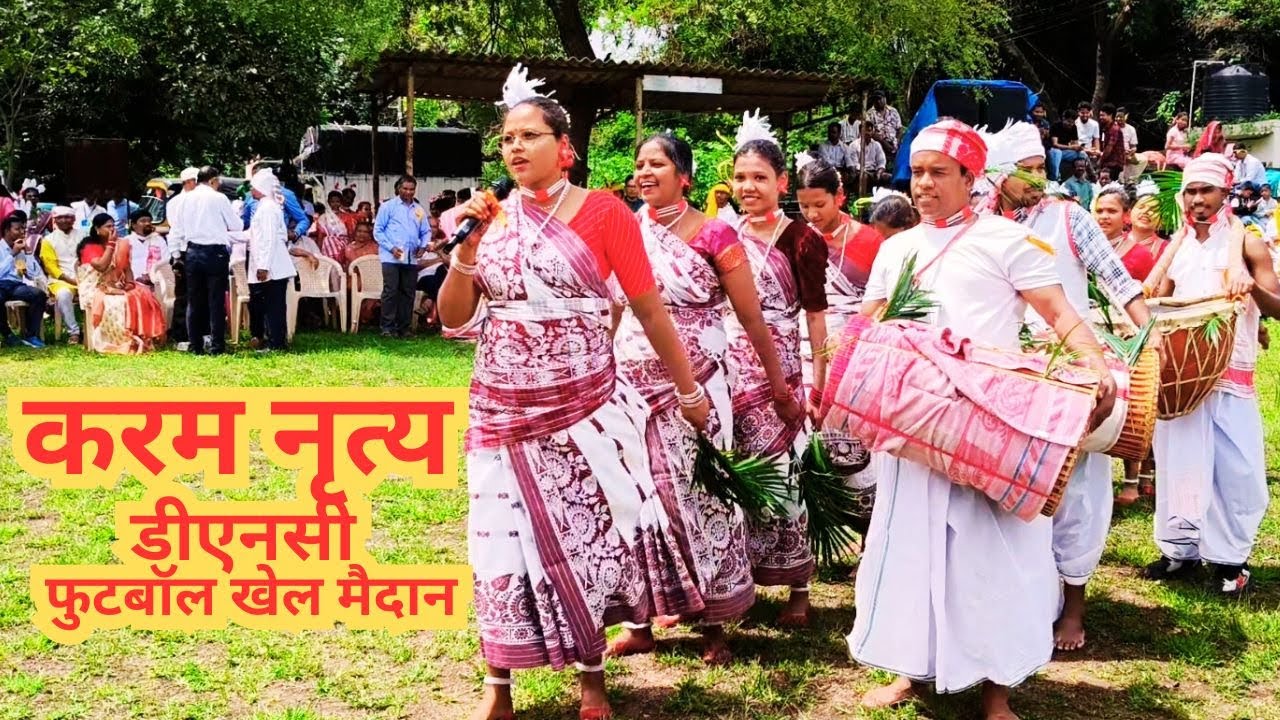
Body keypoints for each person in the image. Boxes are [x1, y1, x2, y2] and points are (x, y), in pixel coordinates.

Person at [438, 64, 708, 720]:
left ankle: (592, 679)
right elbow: (452, 317)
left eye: (529, 135)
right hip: (501, 405)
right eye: (507, 138)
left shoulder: (605, 212)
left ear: (564, 148)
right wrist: (466, 249)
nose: (515, 147)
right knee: (498, 540)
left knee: (585, 539)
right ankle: (497, 683)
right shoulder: (487, 219)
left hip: (583, 404)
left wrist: (688, 390)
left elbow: (649, 310)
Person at [848, 120, 1116, 720]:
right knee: (909, 543)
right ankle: (911, 669)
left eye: (938, 173)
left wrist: (1094, 363)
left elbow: (1058, 313)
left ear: (971, 178)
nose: (923, 184)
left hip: (989, 427)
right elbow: (870, 323)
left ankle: (998, 689)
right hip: (912, 426)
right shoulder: (896, 249)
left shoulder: (1006, 240)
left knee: (993, 552)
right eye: (917, 173)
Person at [606, 132, 800, 666]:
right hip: (629, 387)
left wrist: (779, 386)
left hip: (700, 386)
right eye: (639, 164)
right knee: (635, 498)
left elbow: (752, 319)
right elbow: (616, 308)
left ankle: (713, 623)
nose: (644, 173)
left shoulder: (716, 235)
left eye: (657, 164)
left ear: (684, 176)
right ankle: (640, 621)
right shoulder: (625, 229)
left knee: (700, 496)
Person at [980, 121, 1156, 652]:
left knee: (1077, 487)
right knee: (1017, 485)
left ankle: (1073, 606)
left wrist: (1149, 339)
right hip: (1006, 372)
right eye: (1026, 170)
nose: (1039, 179)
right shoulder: (982, 223)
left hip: (1071, 372)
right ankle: (1024, 597)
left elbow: (1116, 280)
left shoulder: (1067, 216)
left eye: (1041, 168)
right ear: (997, 175)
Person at [1146, 153, 1280, 595]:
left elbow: (1277, 307)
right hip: (1183, 376)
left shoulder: (1248, 244)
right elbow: (1159, 304)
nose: (1197, 199)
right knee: (1176, 463)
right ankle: (1178, 551)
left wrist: (1252, 289)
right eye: (1191, 191)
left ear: (1225, 193)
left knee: (1236, 470)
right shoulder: (1178, 246)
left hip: (1228, 375)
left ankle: (1230, 560)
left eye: (1206, 190)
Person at [728, 110, 828, 626]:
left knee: (783, 476)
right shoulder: (722, 234)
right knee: (734, 477)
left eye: (760, 178)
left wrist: (816, 383)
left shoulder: (802, 239)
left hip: (780, 371)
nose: (749, 187)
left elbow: (815, 316)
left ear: (782, 183)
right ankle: (738, 581)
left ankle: (798, 588)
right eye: (741, 177)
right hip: (727, 369)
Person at [169, 166, 240, 355]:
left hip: (192, 251)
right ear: (212, 180)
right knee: (216, 300)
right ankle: (217, 345)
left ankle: (195, 345)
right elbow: (236, 225)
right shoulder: (219, 198)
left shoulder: (185, 199)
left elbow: (176, 229)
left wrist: (176, 255)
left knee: (194, 300)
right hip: (215, 252)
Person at [78, 213, 167, 354]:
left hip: (118, 284)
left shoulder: (123, 243)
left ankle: (143, 337)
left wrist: (130, 283)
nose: (112, 229)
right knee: (119, 302)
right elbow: (101, 266)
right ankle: (122, 340)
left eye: (113, 226)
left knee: (143, 295)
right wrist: (111, 244)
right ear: (97, 229)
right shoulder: (90, 246)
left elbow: (127, 268)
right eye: (108, 226)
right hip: (95, 287)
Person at [372, 174, 430, 338]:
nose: (408, 192)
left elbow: (426, 231)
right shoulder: (388, 207)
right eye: (405, 188)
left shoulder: (419, 210)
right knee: (390, 291)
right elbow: (378, 231)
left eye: (412, 189)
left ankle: (404, 328)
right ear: (398, 188)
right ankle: (387, 328)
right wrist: (391, 248)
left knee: (408, 293)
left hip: (411, 258)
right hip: (391, 258)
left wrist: (423, 246)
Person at [246, 169, 296, 353]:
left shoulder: (268, 208)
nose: (251, 189)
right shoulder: (267, 206)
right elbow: (255, 235)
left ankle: (276, 343)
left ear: (262, 188)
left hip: (273, 265)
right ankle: (274, 340)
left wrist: (263, 266)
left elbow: (268, 239)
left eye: (254, 186)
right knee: (271, 305)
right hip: (271, 263)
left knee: (274, 306)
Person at [0, 215, 48, 348]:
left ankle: (31, 335)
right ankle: (7, 334)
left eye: (23, 229)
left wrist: (28, 253)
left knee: (38, 295)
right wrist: (12, 254)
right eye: (18, 229)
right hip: (1, 285)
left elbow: (33, 275)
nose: (22, 232)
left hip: (16, 285)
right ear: (7, 231)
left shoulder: (21, 248)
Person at [38, 206, 83, 344]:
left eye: (67, 217)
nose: (63, 220)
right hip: (61, 281)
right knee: (63, 295)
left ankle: (96, 330)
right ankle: (74, 332)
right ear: (55, 220)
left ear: (74, 219)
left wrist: (83, 279)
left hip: (85, 277)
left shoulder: (84, 236)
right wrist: (71, 280)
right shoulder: (48, 240)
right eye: (60, 218)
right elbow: (50, 267)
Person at [1094, 187, 1156, 281]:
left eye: (1112, 211)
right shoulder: (1085, 248)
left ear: (1126, 214)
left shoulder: (1140, 255)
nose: (1104, 216)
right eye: (1099, 211)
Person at [126, 210, 167, 284]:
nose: (147, 223)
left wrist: (153, 276)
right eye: (143, 221)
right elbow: (122, 266)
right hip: (133, 282)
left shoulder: (159, 240)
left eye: (149, 221)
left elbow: (165, 260)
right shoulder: (126, 241)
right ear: (133, 225)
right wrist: (136, 277)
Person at [847, 122, 891, 188]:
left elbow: (882, 162)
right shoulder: (854, 145)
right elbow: (854, 164)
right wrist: (866, 172)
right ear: (860, 132)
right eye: (865, 131)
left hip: (874, 172)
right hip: (859, 172)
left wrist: (879, 172)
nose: (867, 133)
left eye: (869, 130)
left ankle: (883, 194)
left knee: (889, 177)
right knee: (864, 176)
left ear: (872, 132)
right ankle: (863, 194)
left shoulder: (876, 145)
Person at [1051, 107, 1085, 181]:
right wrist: (1070, 147)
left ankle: (1088, 176)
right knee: (1058, 153)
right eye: (1069, 122)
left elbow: (1075, 143)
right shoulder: (1056, 126)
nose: (1071, 124)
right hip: (1054, 151)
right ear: (1063, 119)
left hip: (1066, 152)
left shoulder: (1073, 127)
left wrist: (1078, 148)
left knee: (1083, 154)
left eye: (1073, 122)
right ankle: (1056, 176)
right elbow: (1055, 144)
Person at [866, 92, 903, 158]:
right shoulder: (869, 114)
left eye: (880, 99)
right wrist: (884, 143)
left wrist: (897, 141)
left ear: (885, 99)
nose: (878, 101)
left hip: (894, 144)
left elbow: (899, 128)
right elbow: (871, 133)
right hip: (878, 146)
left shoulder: (893, 111)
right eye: (876, 100)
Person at [1096, 104, 1127, 181]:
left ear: (1110, 115)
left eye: (1103, 115)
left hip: (1113, 163)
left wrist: (1100, 161)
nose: (1101, 117)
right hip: (1108, 162)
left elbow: (1109, 147)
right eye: (1100, 115)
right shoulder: (1106, 128)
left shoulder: (1114, 129)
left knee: (1108, 184)